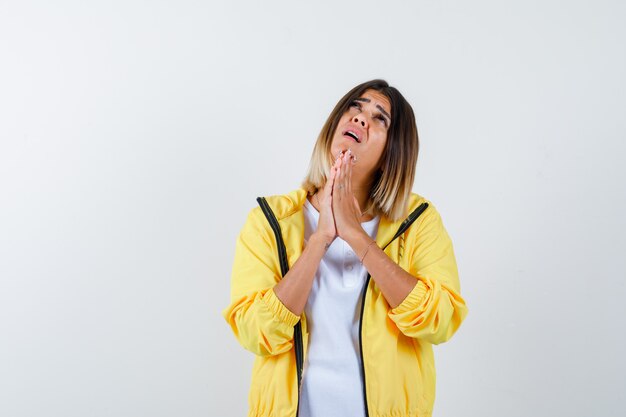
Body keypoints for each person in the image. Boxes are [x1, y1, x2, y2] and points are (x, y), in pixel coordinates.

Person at [222, 79, 468, 417]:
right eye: (355, 106)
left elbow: (439, 320)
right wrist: (320, 239)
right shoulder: (270, 221)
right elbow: (255, 332)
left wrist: (356, 236)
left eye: (380, 118)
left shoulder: (419, 221)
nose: (361, 118)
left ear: (392, 153)